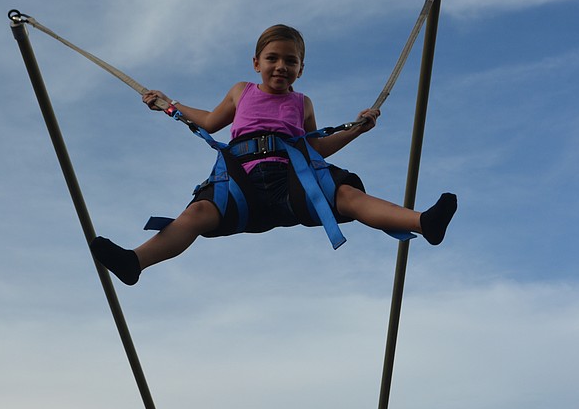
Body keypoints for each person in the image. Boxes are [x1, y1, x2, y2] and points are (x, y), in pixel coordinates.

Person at [91, 24, 456, 285]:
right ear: (256, 63)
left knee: (345, 195)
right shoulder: (242, 91)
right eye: (273, 58)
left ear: (301, 69)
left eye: (291, 61)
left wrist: (356, 129)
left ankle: (422, 222)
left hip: (293, 179)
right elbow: (209, 121)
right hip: (241, 182)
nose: (281, 66)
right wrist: (169, 105)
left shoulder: (302, 102)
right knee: (198, 213)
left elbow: (316, 146)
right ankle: (135, 261)